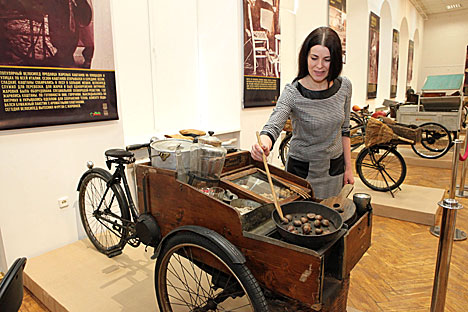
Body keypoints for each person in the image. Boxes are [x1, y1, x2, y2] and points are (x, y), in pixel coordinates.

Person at [250, 26, 354, 200]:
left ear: (335, 60)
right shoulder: (293, 92)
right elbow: (274, 124)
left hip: (333, 172)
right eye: (314, 58)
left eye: (327, 60)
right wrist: (264, 145)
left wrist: (348, 168)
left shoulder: (345, 86)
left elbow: (345, 130)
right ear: (305, 57)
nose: (319, 66)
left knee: (330, 220)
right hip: (300, 174)